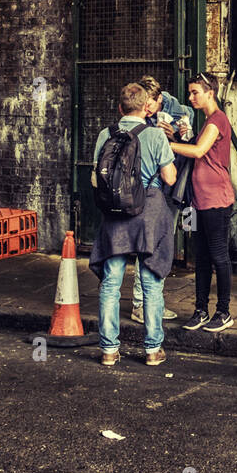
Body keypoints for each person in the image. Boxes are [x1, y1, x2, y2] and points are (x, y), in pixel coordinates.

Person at [90, 82, 177, 367]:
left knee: (111, 283)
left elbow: (95, 178)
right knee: (151, 282)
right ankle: (152, 350)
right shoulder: (154, 135)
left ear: (120, 108)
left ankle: (109, 350)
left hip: (115, 216)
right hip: (149, 214)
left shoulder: (106, 134)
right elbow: (170, 178)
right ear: (145, 107)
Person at [169, 71, 236, 334]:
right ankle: (200, 310)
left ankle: (224, 311)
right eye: (190, 92)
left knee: (219, 256)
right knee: (201, 257)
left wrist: (167, 144)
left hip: (216, 200)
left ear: (211, 92)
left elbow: (198, 151)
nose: (190, 97)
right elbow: (195, 151)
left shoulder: (217, 120)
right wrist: (175, 139)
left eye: (195, 92)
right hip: (195, 201)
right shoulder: (207, 121)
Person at [124, 77, 189, 325]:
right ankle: (143, 305)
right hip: (151, 191)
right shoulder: (141, 119)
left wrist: (177, 138)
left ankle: (149, 303)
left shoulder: (179, 111)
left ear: (159, 100)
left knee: (156, 246)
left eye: (150, 105)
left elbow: (187, 144)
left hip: (166, 192)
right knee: (148, 247)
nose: (146, 109)